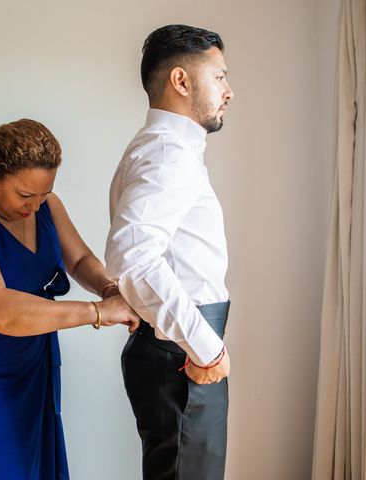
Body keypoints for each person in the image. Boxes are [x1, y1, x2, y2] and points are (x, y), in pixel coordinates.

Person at [0, 118, 140, 480]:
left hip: (30, 364)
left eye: (45, 193)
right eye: (25, 195)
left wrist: (109, 288)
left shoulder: (46, 206)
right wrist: (98, 312)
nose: (35, 206)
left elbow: (80, 260)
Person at [104, 25, 235, 480]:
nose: (228, 91)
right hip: (183, 349)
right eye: (219, 77)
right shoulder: (167, 154)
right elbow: (132, 258)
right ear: (181, 82)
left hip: (177, 342)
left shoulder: (163, 149)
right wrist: (205, 349)